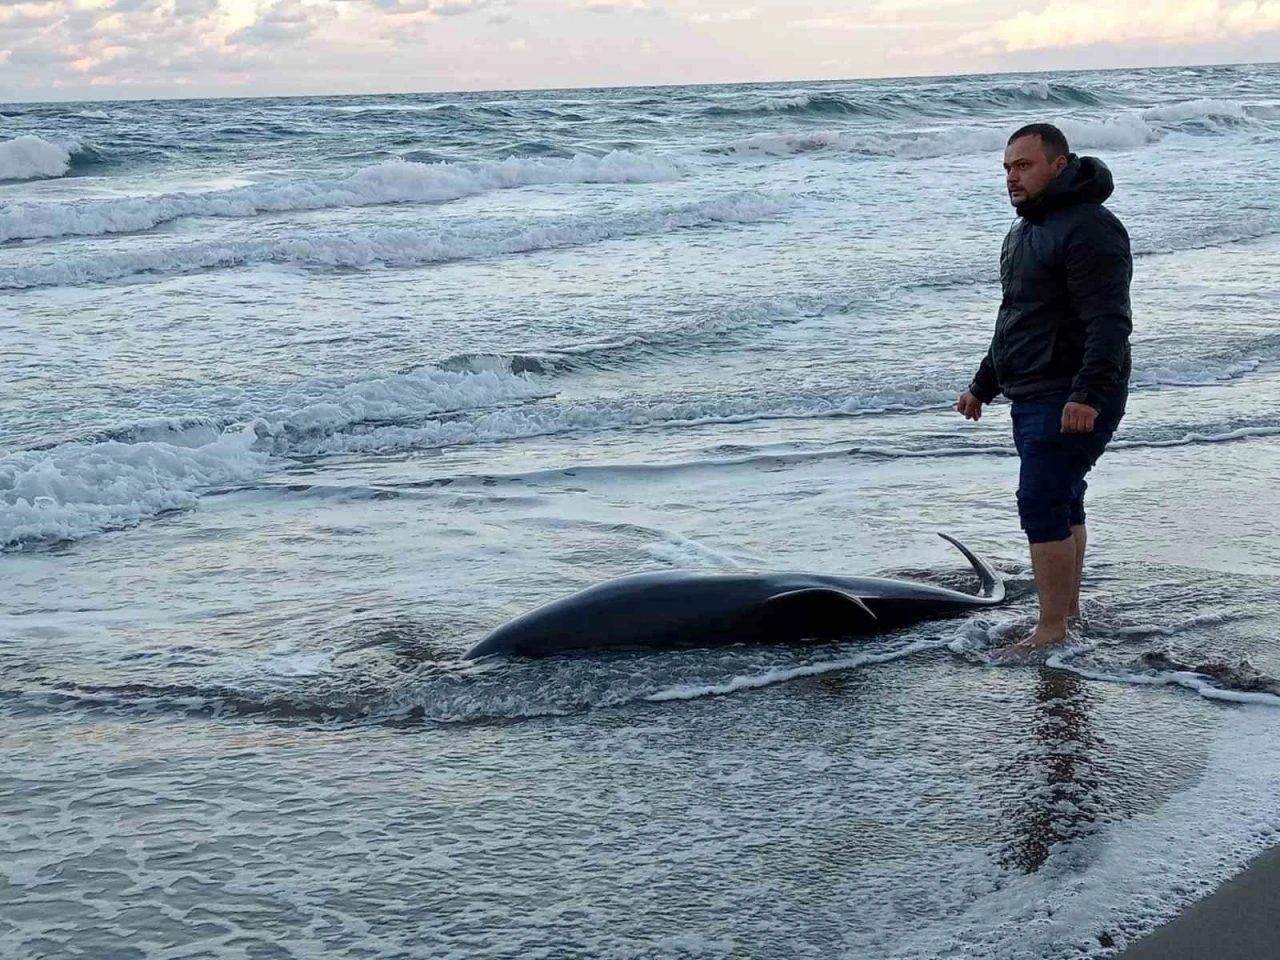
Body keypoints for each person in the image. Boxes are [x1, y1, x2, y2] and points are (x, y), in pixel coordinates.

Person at [956, 123, 1132, 658]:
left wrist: (1087, 394)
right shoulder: (1025, 230)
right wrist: (982, 384)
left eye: (1024, 165)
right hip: (1033, 391)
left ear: (1059, 164)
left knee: (1040, 501)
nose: (1012, 176)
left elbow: (1109, 321)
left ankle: (1052, 628)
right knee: (1063, 498)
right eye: (1008, 167)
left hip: (1071, 392)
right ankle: (1067, 615)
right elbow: (1017, 318)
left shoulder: (1091, 228)